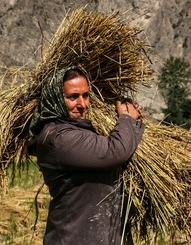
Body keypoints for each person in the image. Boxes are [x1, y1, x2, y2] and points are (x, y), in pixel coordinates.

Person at [28, 67, 145, 244]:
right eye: (72, 97)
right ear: (56, 98)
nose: (82, 104)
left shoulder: (82, 130)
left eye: (86, 95)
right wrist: (127, 118)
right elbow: (116, 150)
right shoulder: (59, 138)